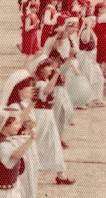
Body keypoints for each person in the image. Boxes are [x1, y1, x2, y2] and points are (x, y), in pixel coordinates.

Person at [0, 70, 41, 198]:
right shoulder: (14, 107)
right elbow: (19, 122)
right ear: (18, 90)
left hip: (29, 146)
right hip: (20, 146)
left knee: (29, 184)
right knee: (23, 185)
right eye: (28, 87)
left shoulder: (24, 105)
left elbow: (30, 123)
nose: (31, 90)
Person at [30, 57, 75, 185]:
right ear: (41, 69)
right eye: (48, 66)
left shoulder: (44, 81)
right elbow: (48, 90)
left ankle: (61, 174)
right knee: (38, 143)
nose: (51, 69)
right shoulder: (40, 83)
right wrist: (56, 74)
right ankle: (29, 167)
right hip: (41, 116)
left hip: (47, 115)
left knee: (53, 143)